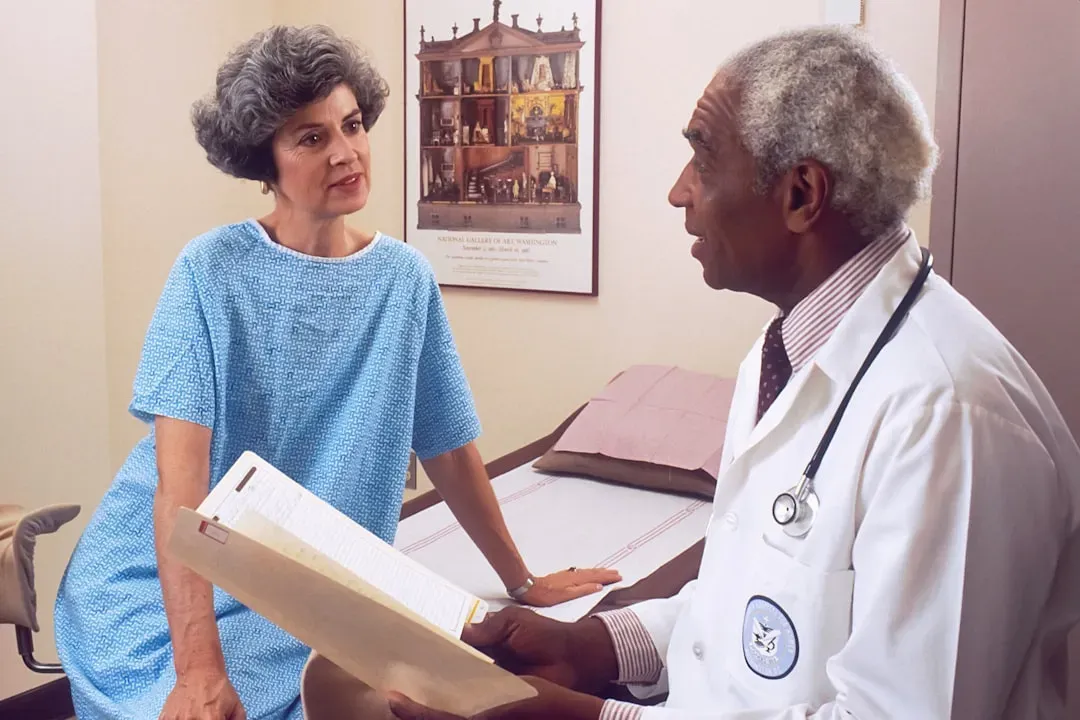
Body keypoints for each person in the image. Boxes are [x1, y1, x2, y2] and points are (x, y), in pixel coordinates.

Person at [385, 24, 1080, 720]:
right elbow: (746, 609)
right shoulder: (784, 352)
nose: (677, 193)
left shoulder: (949, 417)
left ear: (802, 193)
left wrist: (584, 716)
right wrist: (596, 647)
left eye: (703, 161)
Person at [52, 24, 618, 720]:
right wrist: (197, 669)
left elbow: (447, 446)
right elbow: (179, 487)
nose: (346, 153)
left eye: (351, 125)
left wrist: (521, 580)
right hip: (160, 589)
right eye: (310, 137)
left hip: (309, 594)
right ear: (267, 160)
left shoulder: (403, 280)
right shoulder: (210, 270)